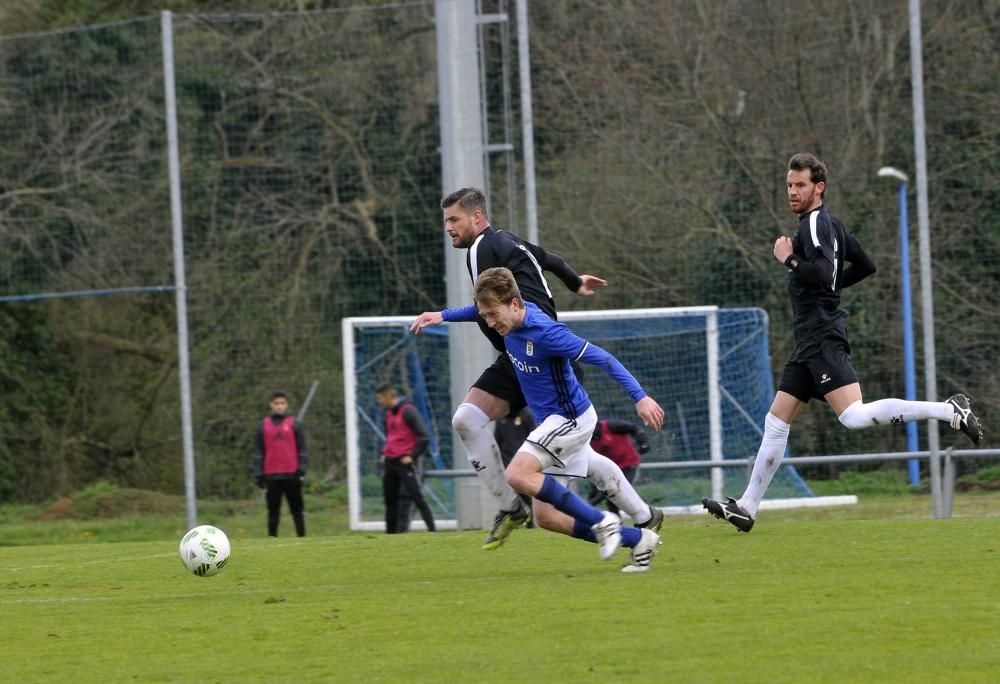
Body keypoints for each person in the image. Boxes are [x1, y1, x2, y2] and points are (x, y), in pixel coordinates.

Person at [702, 152, 984, 533]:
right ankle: (747, 507)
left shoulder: (814, 225)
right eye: (789, 185)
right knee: (775, 421)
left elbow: (819, 273)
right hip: (810, 340)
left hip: (821, 336)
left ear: (819, 188)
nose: (792, 192)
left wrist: (788, 260)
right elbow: (865, 266)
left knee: (853, 416)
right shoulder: (830, 225)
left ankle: (948, 410)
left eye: (800, 185)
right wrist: (829, 289)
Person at [409, 187, 663, 550]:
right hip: (522, 354)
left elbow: (494, 306)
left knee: (469, 422)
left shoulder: (482, 250)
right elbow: (549, 258)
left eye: (454, 219)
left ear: (477, 218)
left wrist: (640, 396)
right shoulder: (507, 241)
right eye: (446, 220)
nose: (448, 227)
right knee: (560, 491)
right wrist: (575, 281)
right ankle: (641, 524)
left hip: (533, 353)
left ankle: (516, 509)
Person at [426, 266, 665, 571]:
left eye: (492, 314)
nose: (489, 322)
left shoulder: (546, 333)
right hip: (552, 423)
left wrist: (640, 397)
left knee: (517, 476)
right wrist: (443, 316)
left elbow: (603, 358)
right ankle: (639, 539)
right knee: (547, 518)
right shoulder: (506, 319)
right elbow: (475, 310)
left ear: (515, 303)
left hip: (570, 419)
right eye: (485, 315)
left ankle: (603, 521)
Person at [375, 382, 437, 534]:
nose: (379, 402)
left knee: (418, 498)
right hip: (390, 462)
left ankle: (433, 531)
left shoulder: (408, 411)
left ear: (389, 396)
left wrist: (412, 456)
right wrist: (385, 453)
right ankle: (390, 535)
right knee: (390, 501)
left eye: (380, 398)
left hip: (404, 463)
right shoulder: (389, 413)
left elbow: (424, 437)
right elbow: (393, 437)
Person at [253, 390, 307, 537]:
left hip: (292, 473)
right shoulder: (263, 426)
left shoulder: (295, 424)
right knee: (273, 510)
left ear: (286, 405)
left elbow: (302, 448)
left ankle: (302, 538)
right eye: (276, 403)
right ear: (271, 405)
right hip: (271, 475)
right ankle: (272, 538)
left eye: (282, 403)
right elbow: (258, 451)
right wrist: (259, 473)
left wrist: (301, 469)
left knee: (297, 509)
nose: (279, 406)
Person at [588, 419, 650, 515]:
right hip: (607, 470)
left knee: (617, 492)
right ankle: (617, 524)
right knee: (609, 496)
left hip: (628, 465)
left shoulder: (611, 425)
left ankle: (646, 514)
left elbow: (634, 428)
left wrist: (643, 443)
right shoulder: (585, 438)